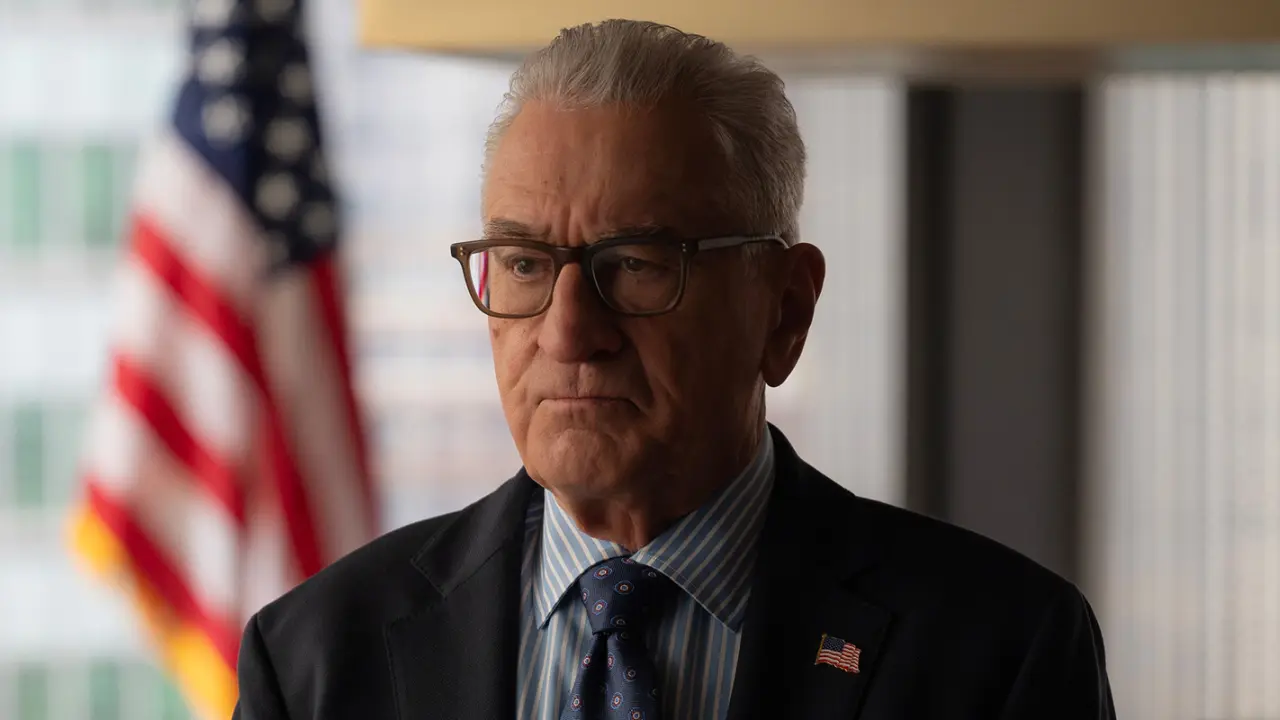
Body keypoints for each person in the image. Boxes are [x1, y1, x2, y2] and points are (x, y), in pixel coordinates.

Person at [233, 19, 1115, 720]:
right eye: (526, 265)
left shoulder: (998, 651)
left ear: (784, 310)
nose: (569, 334)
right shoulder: (316, 658)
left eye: (635, 265)